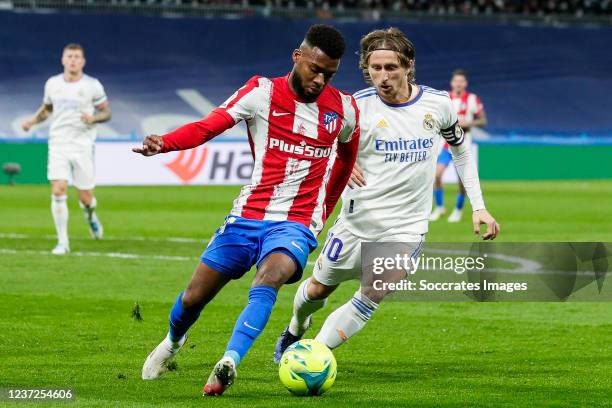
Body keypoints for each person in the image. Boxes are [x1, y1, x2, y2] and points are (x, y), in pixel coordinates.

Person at [134, 24, 359, 396]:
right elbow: (209, 126)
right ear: (297, 56)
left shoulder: (344, 109)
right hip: (247, 216)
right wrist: (166, 143)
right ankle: (173, 341)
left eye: (329, 74)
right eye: (315, 69)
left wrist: (321, 216)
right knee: (193, 297)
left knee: (268, 279)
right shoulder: (260, 92)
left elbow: (346, 160)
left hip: (295, 224)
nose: (320, 80)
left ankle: (229, 362)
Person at [274, 28, 499, 360]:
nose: (382, 76)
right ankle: (296, 326)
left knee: (372, 294)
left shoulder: (439, 105)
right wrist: (341, 161)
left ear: (408, 65)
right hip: (356, 223)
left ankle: (312, 357)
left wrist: (479, 207)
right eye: (375, 68)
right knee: (318, 288)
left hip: (406, 227)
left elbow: (461, 151)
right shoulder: (354, 108)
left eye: (391, 67)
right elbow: (318, 145)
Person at [22, 43, 111, 255]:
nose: (73, 60)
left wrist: (94, 118)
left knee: (85, 198)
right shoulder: (52, 84)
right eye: (69, 56)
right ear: (63, 60)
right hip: (58, 143)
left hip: (82, 145)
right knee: (58, 188)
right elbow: (47, 109)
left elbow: (106, 112)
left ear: (83, 61)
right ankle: (63, 242)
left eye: (77, 57)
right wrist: (32, 122)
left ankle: (90, 216)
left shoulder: (92, 85)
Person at [430, 69, 487, 222]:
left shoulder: (473, 99)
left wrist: (469, 123)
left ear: (465, 84)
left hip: (463, 145)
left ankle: (458, 210)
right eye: (456, 81)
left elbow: (483, 121)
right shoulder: (445, 98)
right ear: (452, 83)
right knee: (436, 175)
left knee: (462, 181)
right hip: (445, 145)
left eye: (461, 81)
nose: (458, 84)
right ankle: (440, 207)